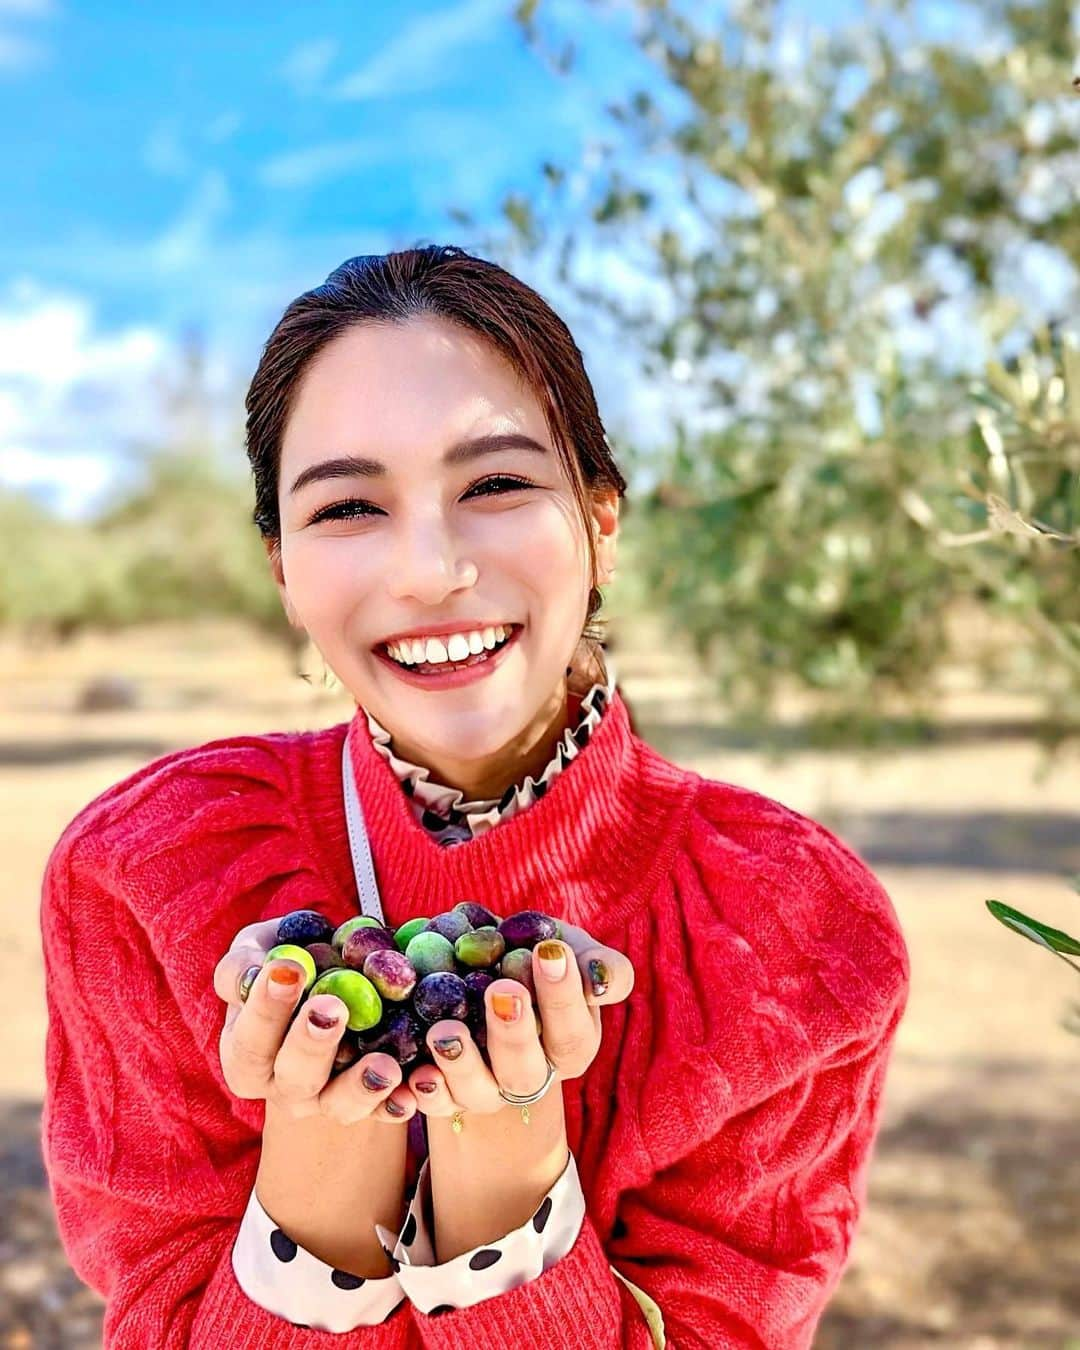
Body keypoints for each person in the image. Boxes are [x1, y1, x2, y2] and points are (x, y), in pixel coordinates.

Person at [39, 245, 911, 1349]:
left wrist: (507, 1182)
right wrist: (320, 1163)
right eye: (349, 507)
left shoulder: (795, 936)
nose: (430, 568)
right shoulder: (142, 874)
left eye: (496, 484)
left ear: (600, 522)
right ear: (282, 570)